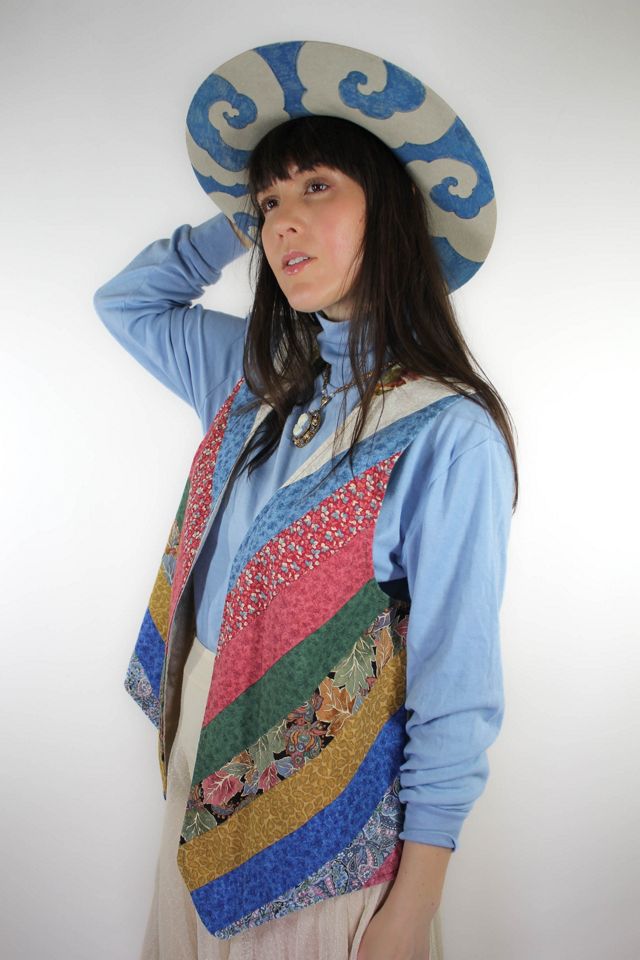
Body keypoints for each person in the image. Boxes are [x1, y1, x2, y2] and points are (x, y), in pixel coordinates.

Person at [94, 41, 518, 960]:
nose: (284, 221)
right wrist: (233, 221)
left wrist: (411, 910)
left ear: (392, 210)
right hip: (199, 775)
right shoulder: (255, 376)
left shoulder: (446, 434)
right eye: (268, 202)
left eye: (317, 187)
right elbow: (127, 303)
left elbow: (455, 688)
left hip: (327, 831)